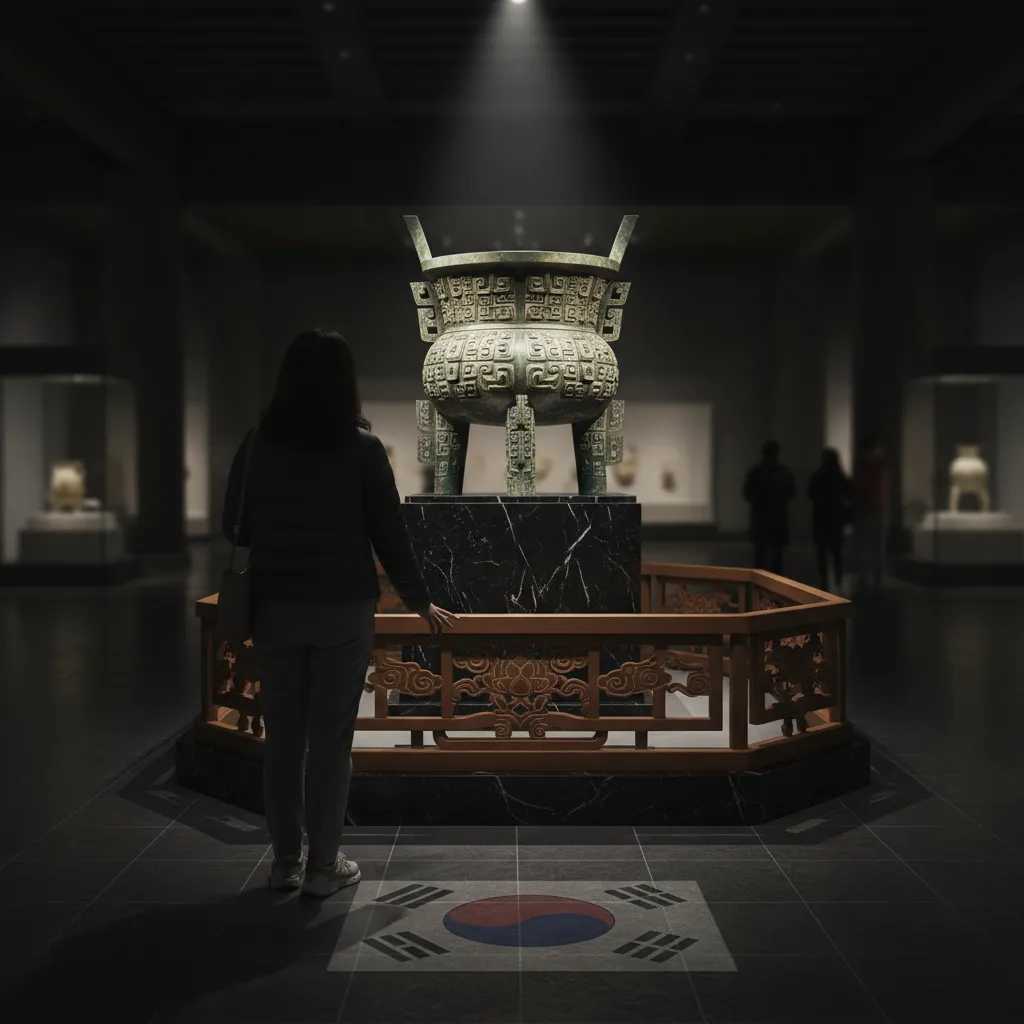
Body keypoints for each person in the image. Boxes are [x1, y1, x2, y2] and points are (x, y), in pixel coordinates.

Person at [222, 329, 456, 898]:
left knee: (282, 740)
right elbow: (389, 533)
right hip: (343, 610)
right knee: (331, 743)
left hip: (276, 607)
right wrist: (419, 598)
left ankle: (284, 862)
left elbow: (235, 526)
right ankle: (324, 865)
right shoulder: (361, 449)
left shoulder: (257, 444)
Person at [743, 440, 796, 574]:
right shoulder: (783, 473)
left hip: (763, 516)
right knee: (774, 555)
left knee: (762, 554)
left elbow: (748, 493)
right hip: (776, 517)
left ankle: (761, 581)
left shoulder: (757, 473)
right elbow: (791, 492)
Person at [808, 448, 852, 592]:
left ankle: (824, 581)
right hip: (836, 518)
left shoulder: (817, 476)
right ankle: (838, 580)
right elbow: (849, 494)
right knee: (837, 552)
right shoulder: (841, 477)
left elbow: (811, 494)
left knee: (821, 552)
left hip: (821, 517)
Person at [852, 435, 890, 593]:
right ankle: (876, 577)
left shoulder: (864, 467)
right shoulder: (880, 467)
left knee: (865, 546)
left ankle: (866, 577)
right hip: (877, 510)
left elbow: (860, 491)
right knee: (876, 547)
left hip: (866, 511)